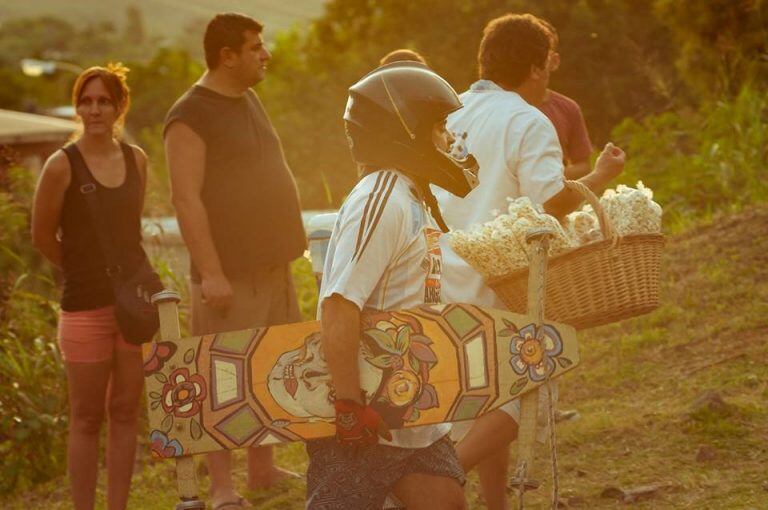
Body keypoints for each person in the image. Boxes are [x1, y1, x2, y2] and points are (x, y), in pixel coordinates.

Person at [436, 13, 626, 510]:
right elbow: (550, 202)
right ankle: (438, 477)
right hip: (506, 282)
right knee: (527, 399)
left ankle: (492, 503)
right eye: (549, 65)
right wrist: (601, 177)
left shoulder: (448, 112)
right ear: (537, 69)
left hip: (438, 276)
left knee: (476, 402)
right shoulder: (526, 119)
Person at [306, 61, 478, 510]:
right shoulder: (380, 199)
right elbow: (339, 303)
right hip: (367, 412)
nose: (448, 139)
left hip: (413, 406)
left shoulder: (410, 194)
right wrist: (348, 406)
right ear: (407, 130)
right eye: (439, 126)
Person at [164, 13, 306, 510]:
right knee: (221, 380)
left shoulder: (248, 98)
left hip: (272, 265)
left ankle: (263, 468)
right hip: (229, 275)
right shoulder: (189, 115)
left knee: (267, 371)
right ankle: (223, 488)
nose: (264, 53)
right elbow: (186, 199)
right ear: (227, 56)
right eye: (255, 47)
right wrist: (212, 274)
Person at [31, 63, 148, 510]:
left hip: (132, 307)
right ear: (78, 107)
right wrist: (81, 271)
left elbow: (130, 233)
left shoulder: (137, 159)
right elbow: (42, 238)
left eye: (104, 101)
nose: (94, 109)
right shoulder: (61, 166)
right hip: (83, 308)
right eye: (86, 100)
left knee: (124, 411)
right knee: (85, 417)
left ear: (120, 107)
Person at [537, 19, 593, 180]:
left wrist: (548, 178)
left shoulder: (568, 108)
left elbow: (583, 165)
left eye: (542, 55)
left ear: (554, 61)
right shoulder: (502, 107)